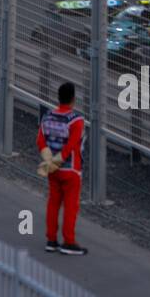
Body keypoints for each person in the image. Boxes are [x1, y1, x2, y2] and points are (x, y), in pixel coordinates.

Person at [37, 81, 86, 255]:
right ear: (73, 99)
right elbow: (72, 146)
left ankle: (51, 240)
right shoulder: (76, 121)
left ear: (58, 98)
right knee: (71, 206)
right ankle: (69, 242)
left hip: (52, 170)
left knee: (53, 202)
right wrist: (59, 160)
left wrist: (50, 162)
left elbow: (40, 141)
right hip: (71, 170)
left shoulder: (47, 116)